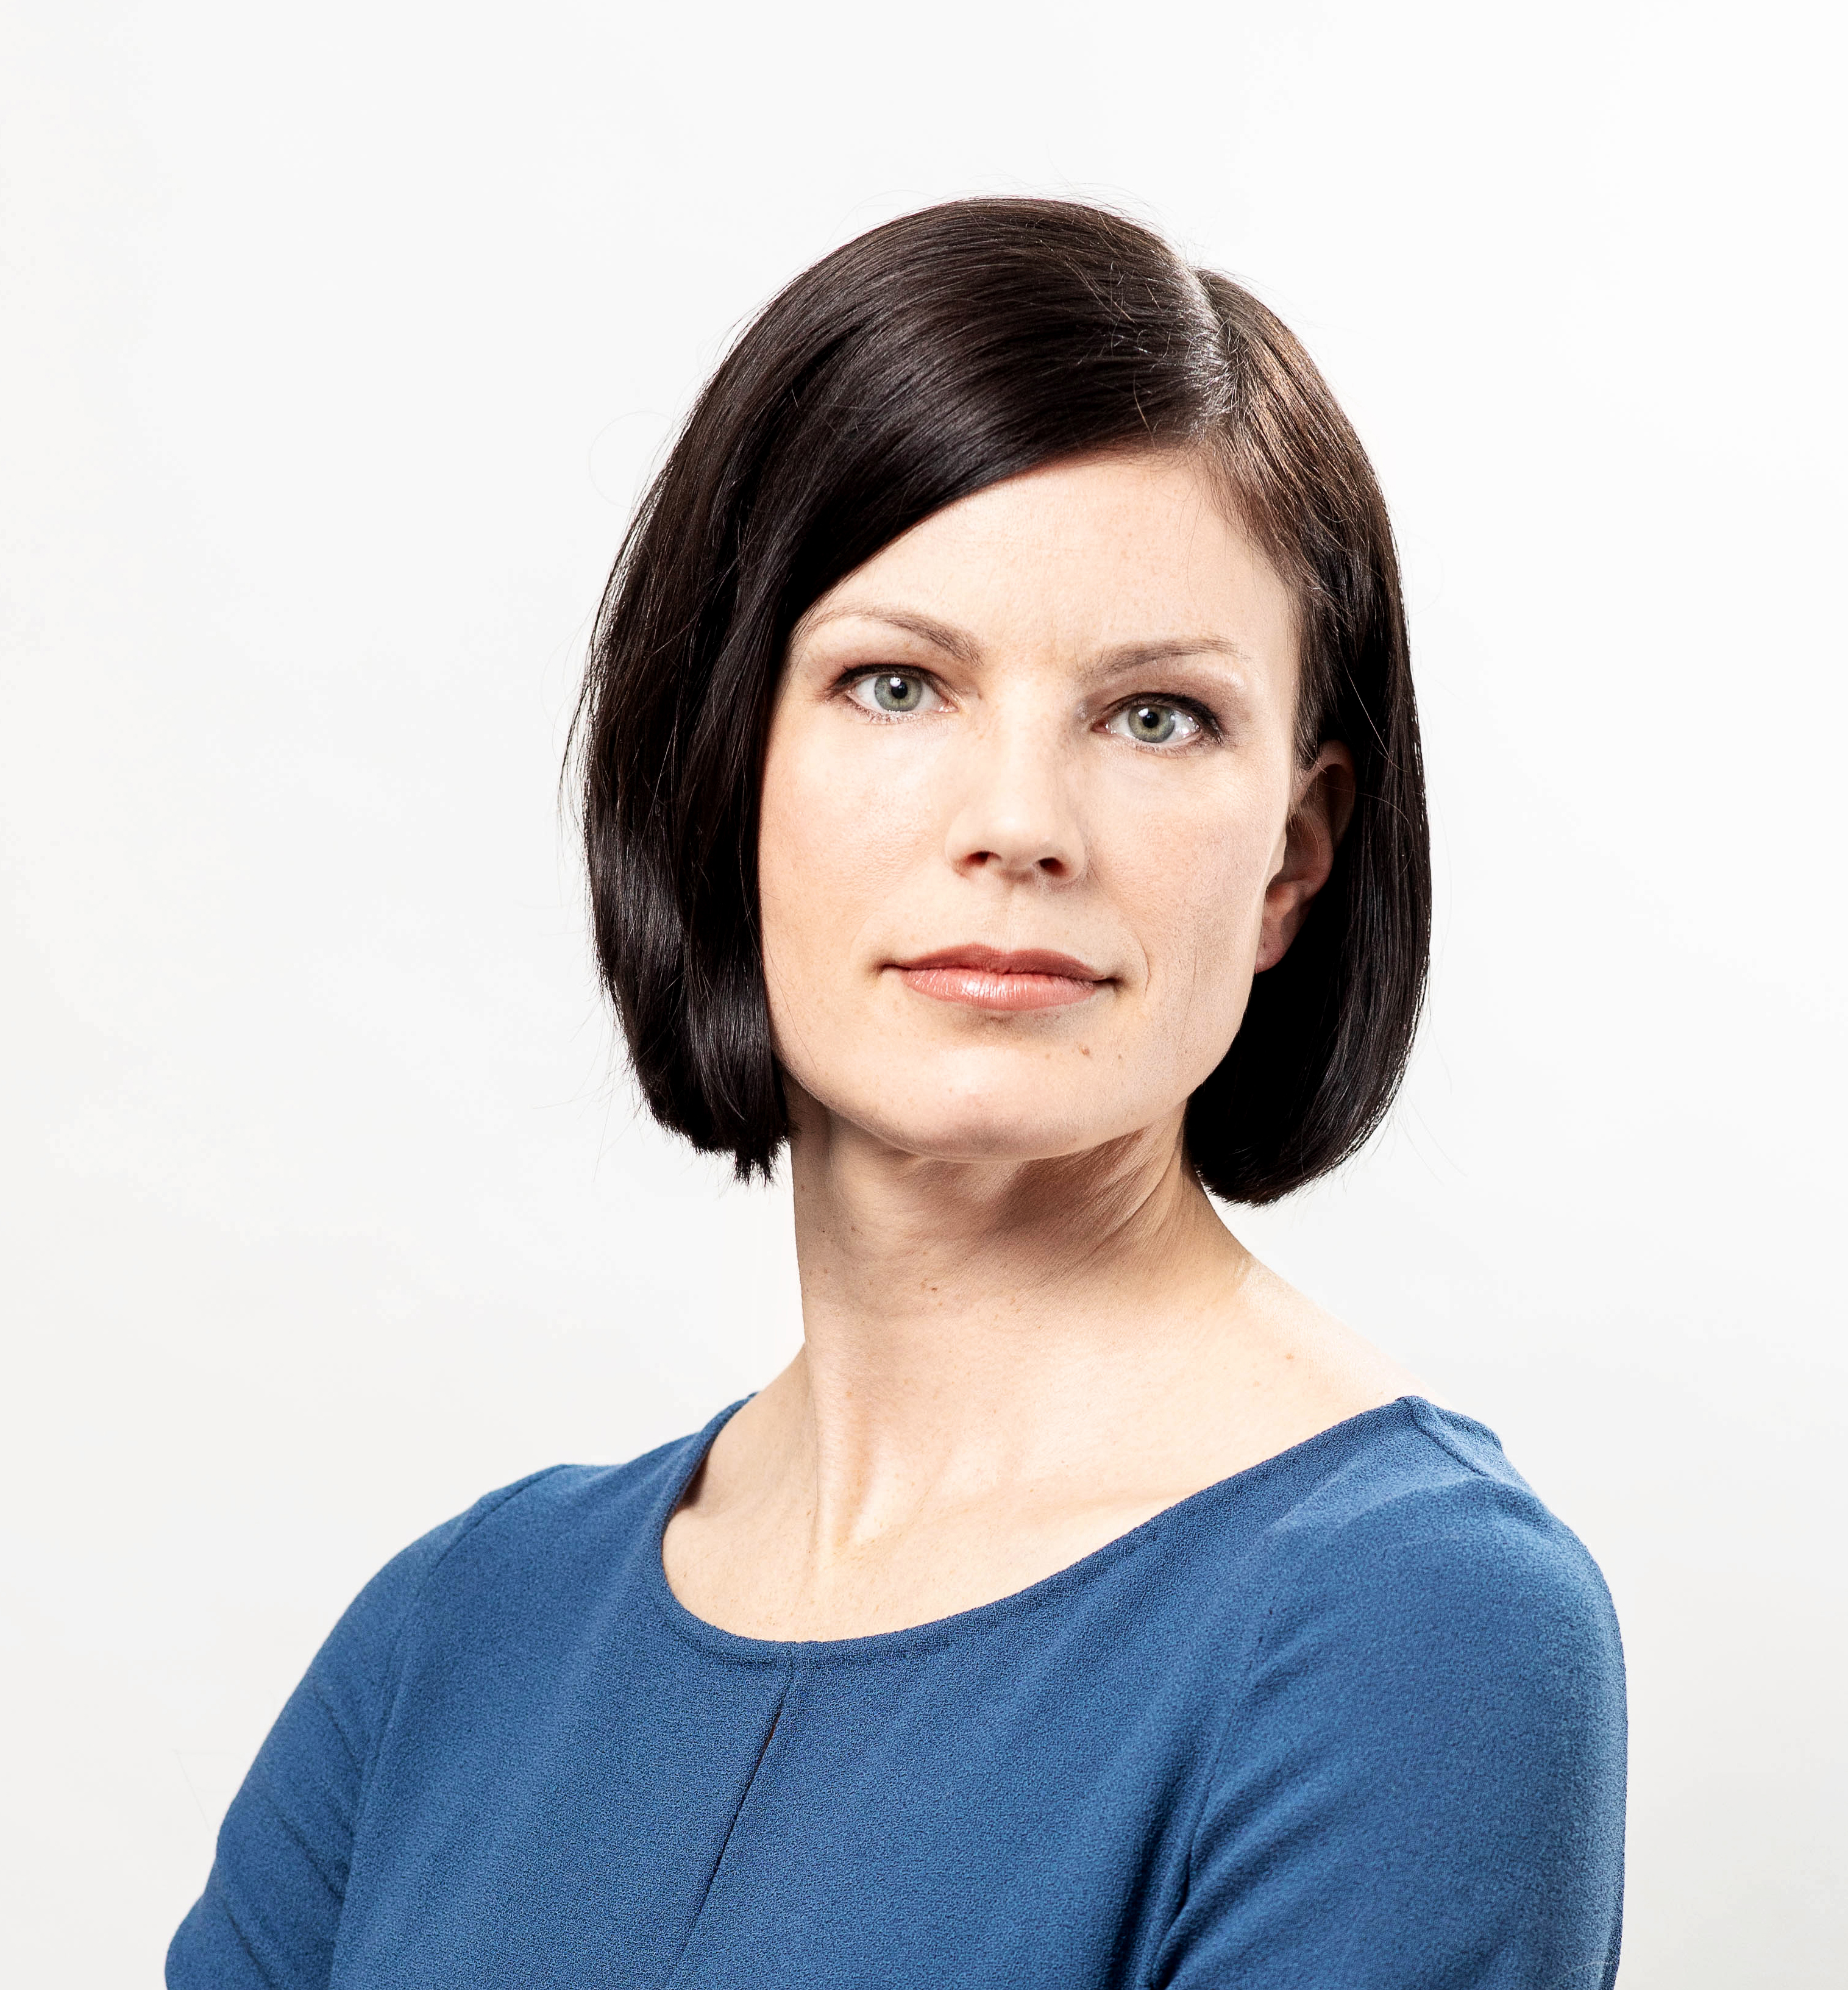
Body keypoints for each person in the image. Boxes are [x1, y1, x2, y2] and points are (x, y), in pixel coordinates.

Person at [168, 197, 1626, 1989]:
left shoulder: (1414, 1631)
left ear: (1293, 859)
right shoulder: (454, 1634)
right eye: (896, 683)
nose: (1018, 823)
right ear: (719, 769)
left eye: (1156, 716)